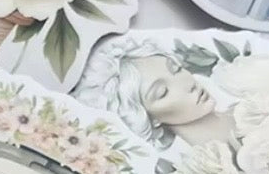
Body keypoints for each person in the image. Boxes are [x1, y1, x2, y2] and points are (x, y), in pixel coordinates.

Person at [75, 35, 235, 150]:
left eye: (177, 69)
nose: (189, 84)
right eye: (163, 92)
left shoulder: (245, 106)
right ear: (147, 119)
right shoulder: (197, 171)